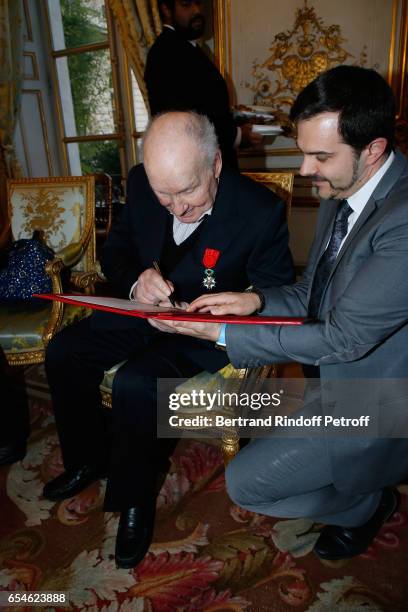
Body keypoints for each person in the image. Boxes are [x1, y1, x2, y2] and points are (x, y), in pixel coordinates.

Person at [155, 66, 408, 561]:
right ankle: (362, 497)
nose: (306, 170)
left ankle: (365, 504)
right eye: (304, 151)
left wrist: (226, 332)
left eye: (320, 156)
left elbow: (342, 337)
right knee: (243, 475)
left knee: (246, 487)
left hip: (380, 401)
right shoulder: (346, 190)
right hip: (331, 383)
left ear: (373, 149)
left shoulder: (403, 220)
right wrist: (254, 301)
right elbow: (315, 291)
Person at [42, 111, 294, 569]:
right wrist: (138, 280)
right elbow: (116, 252)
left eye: (187, 192)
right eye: (165, 195)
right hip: (143, 309)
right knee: (64, 351)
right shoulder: (140, 182)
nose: (176, 207)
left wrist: (235, 305)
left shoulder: (261, 210)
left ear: (216, 164)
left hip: (199, 331)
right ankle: (85, 458)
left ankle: (135, 502)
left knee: (136, 383)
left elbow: (274, 292)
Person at [145, 0, 261, 167]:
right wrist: (238, 135)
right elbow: (186, 123)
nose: (197, 11)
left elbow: (205, 107)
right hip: (200, 171)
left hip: (208, 168)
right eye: (186, 4)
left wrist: (238, 121)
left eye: (199, 3)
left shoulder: (184, 48)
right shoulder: (166, 53)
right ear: (166, 10)